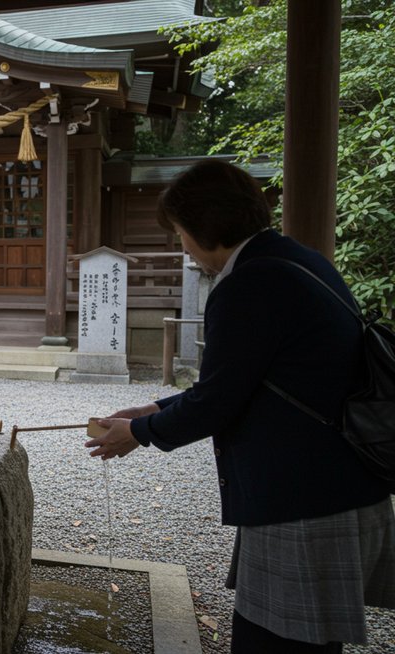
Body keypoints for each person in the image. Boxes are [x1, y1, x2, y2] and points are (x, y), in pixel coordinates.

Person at [84, 159, 394, 653]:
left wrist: (140, 433)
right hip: (338, 479)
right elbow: (244, 383)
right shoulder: (299, 260)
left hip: (304, 496)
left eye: (181, 232)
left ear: (205, 227)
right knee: (307, 642)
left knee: (274, 643)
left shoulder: (248, 285)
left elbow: (217, 402)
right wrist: (153, 409)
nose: (181, 245)